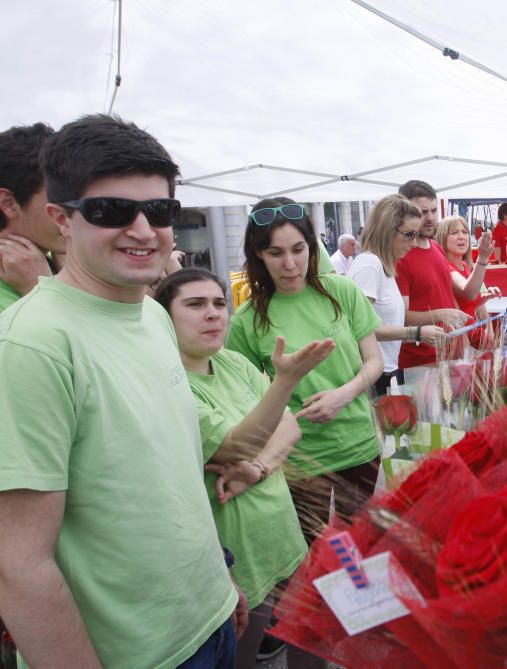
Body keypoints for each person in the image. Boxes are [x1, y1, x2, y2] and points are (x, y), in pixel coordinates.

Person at [0, 114, 241, 668]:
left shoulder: (153, 318)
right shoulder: (33, 344)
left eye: (159, 211)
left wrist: (218, 587)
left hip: (208, 617)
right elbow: (20, 564)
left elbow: (165, 479)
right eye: (111, 211)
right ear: (61, 219)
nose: (142, 229)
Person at [155, 268, 331, 669]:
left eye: (219, 303)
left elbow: (288, 426)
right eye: (195, 305)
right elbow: (238, 444)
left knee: (311, 637)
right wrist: (284, 383)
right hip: (236, 557)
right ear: (164, 317)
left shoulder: (231, 361)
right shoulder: (170, 383)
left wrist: (259, 467)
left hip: (282, 537)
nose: (214, 314)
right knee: (243, 655)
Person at [227, 198, 383, 538]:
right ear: (258, 256)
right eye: (275, 253)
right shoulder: (246, 320)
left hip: (358, 448)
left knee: (360, 553)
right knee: (313, 560)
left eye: (298, 249)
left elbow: (374, 362)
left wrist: (342, 396)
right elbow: (244, 398)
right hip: (299, 461)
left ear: (312, 247)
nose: (290, 264)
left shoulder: (341, 291)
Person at [347, 195, 447, 395]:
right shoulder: (369, 264)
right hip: (370, 376)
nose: (414, 243)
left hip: (385, 372)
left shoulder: (383, 267)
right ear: (387, 230)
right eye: (409, 234)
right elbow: (357, 329)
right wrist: (415, 333)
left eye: (416, 235)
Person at [395, 180, 470, 373]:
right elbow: (398, 317)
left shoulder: (436, 247)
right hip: (421, 363)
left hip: (452, 355)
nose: (430, 218)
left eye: (434, 210)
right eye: (422, 212)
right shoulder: (400, 257)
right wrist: (440, 315)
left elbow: (447, 295)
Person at [0, 122, 65, 312]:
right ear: (9, 203)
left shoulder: (57, 260)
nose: (76, 209)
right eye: (61, 195)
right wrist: (40, 294)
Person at [436, 215, 500, 349]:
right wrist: (482, 258)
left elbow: (472, 302)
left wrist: (485, 298)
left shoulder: (466, 266)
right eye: (454, 233)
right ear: (442, 238)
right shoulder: (445, 267)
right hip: (459, 342)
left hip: (475, 337)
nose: (461, 236)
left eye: (465, 232)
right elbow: (468, 292)